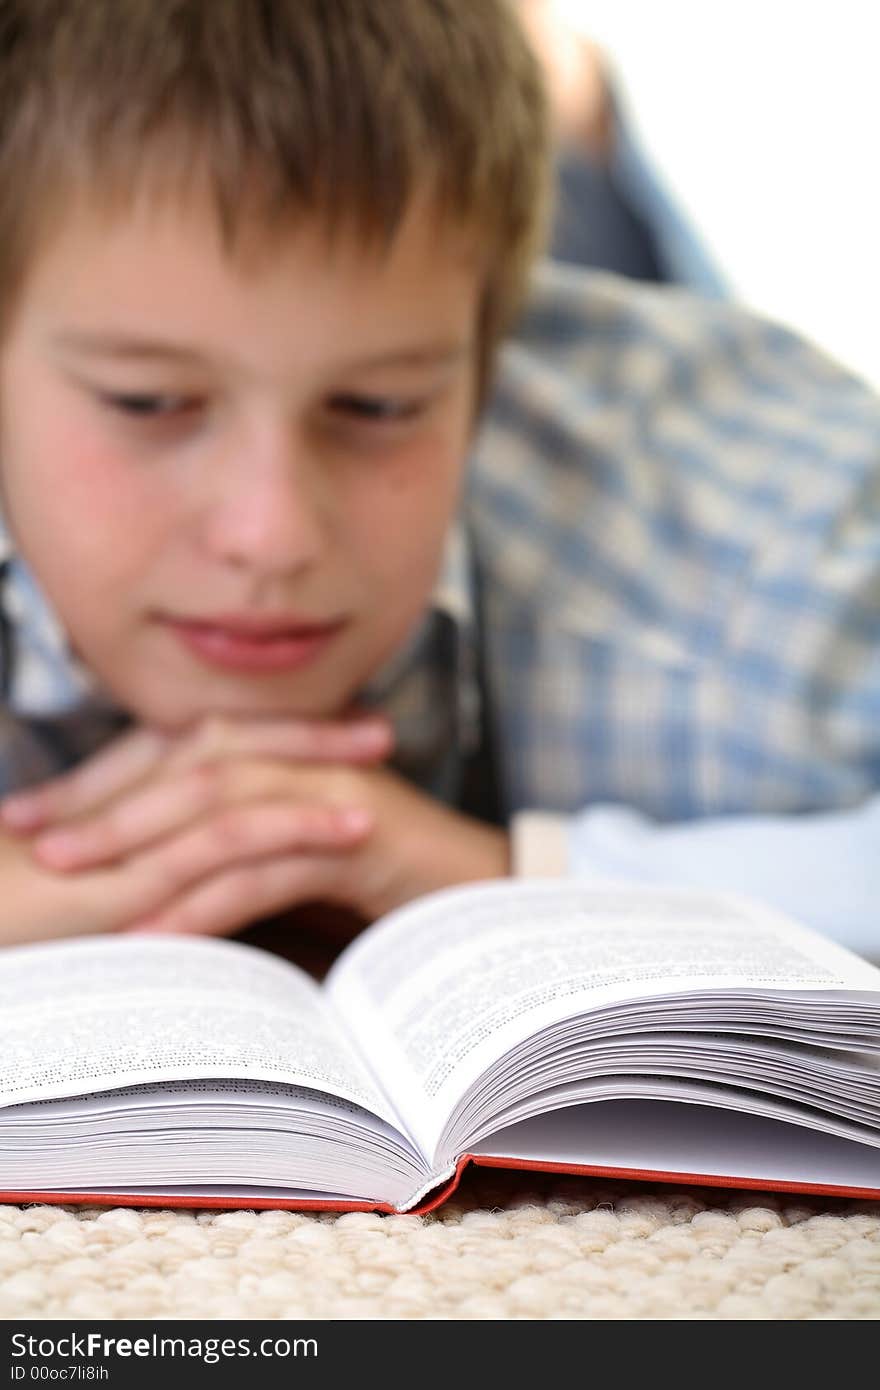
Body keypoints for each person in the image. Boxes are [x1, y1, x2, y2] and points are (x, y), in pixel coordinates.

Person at [0, 0, 877, 961]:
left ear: (485, 364)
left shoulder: (765, 533)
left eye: (379, 407)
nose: (272, 534)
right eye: (147, 400)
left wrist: (516, 878)